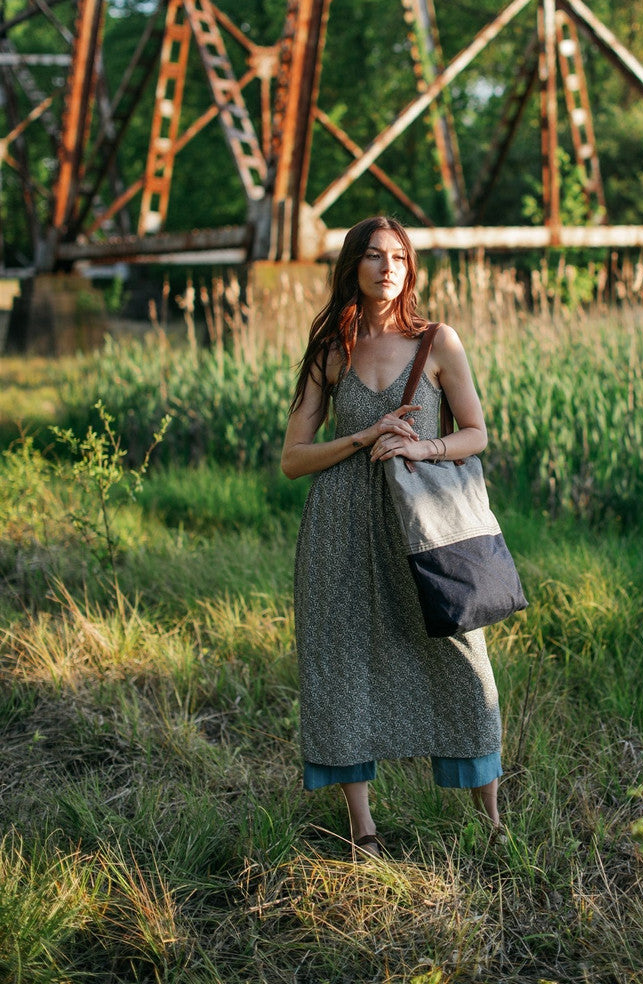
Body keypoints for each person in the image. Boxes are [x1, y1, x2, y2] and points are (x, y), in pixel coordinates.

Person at [281, 216, 503, 858]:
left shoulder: (438, 342)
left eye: (400, 258)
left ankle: (490, 822)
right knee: (342, 663)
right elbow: (294, 458)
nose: (387, 268)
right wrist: (361, 437)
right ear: (353, 265)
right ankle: (364, 830)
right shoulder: (332, 352)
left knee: (461, 658)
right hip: (339, 530)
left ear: (409, 269)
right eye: (375, 256)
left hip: (423, 529)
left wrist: (423, 445)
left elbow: (477, 432)